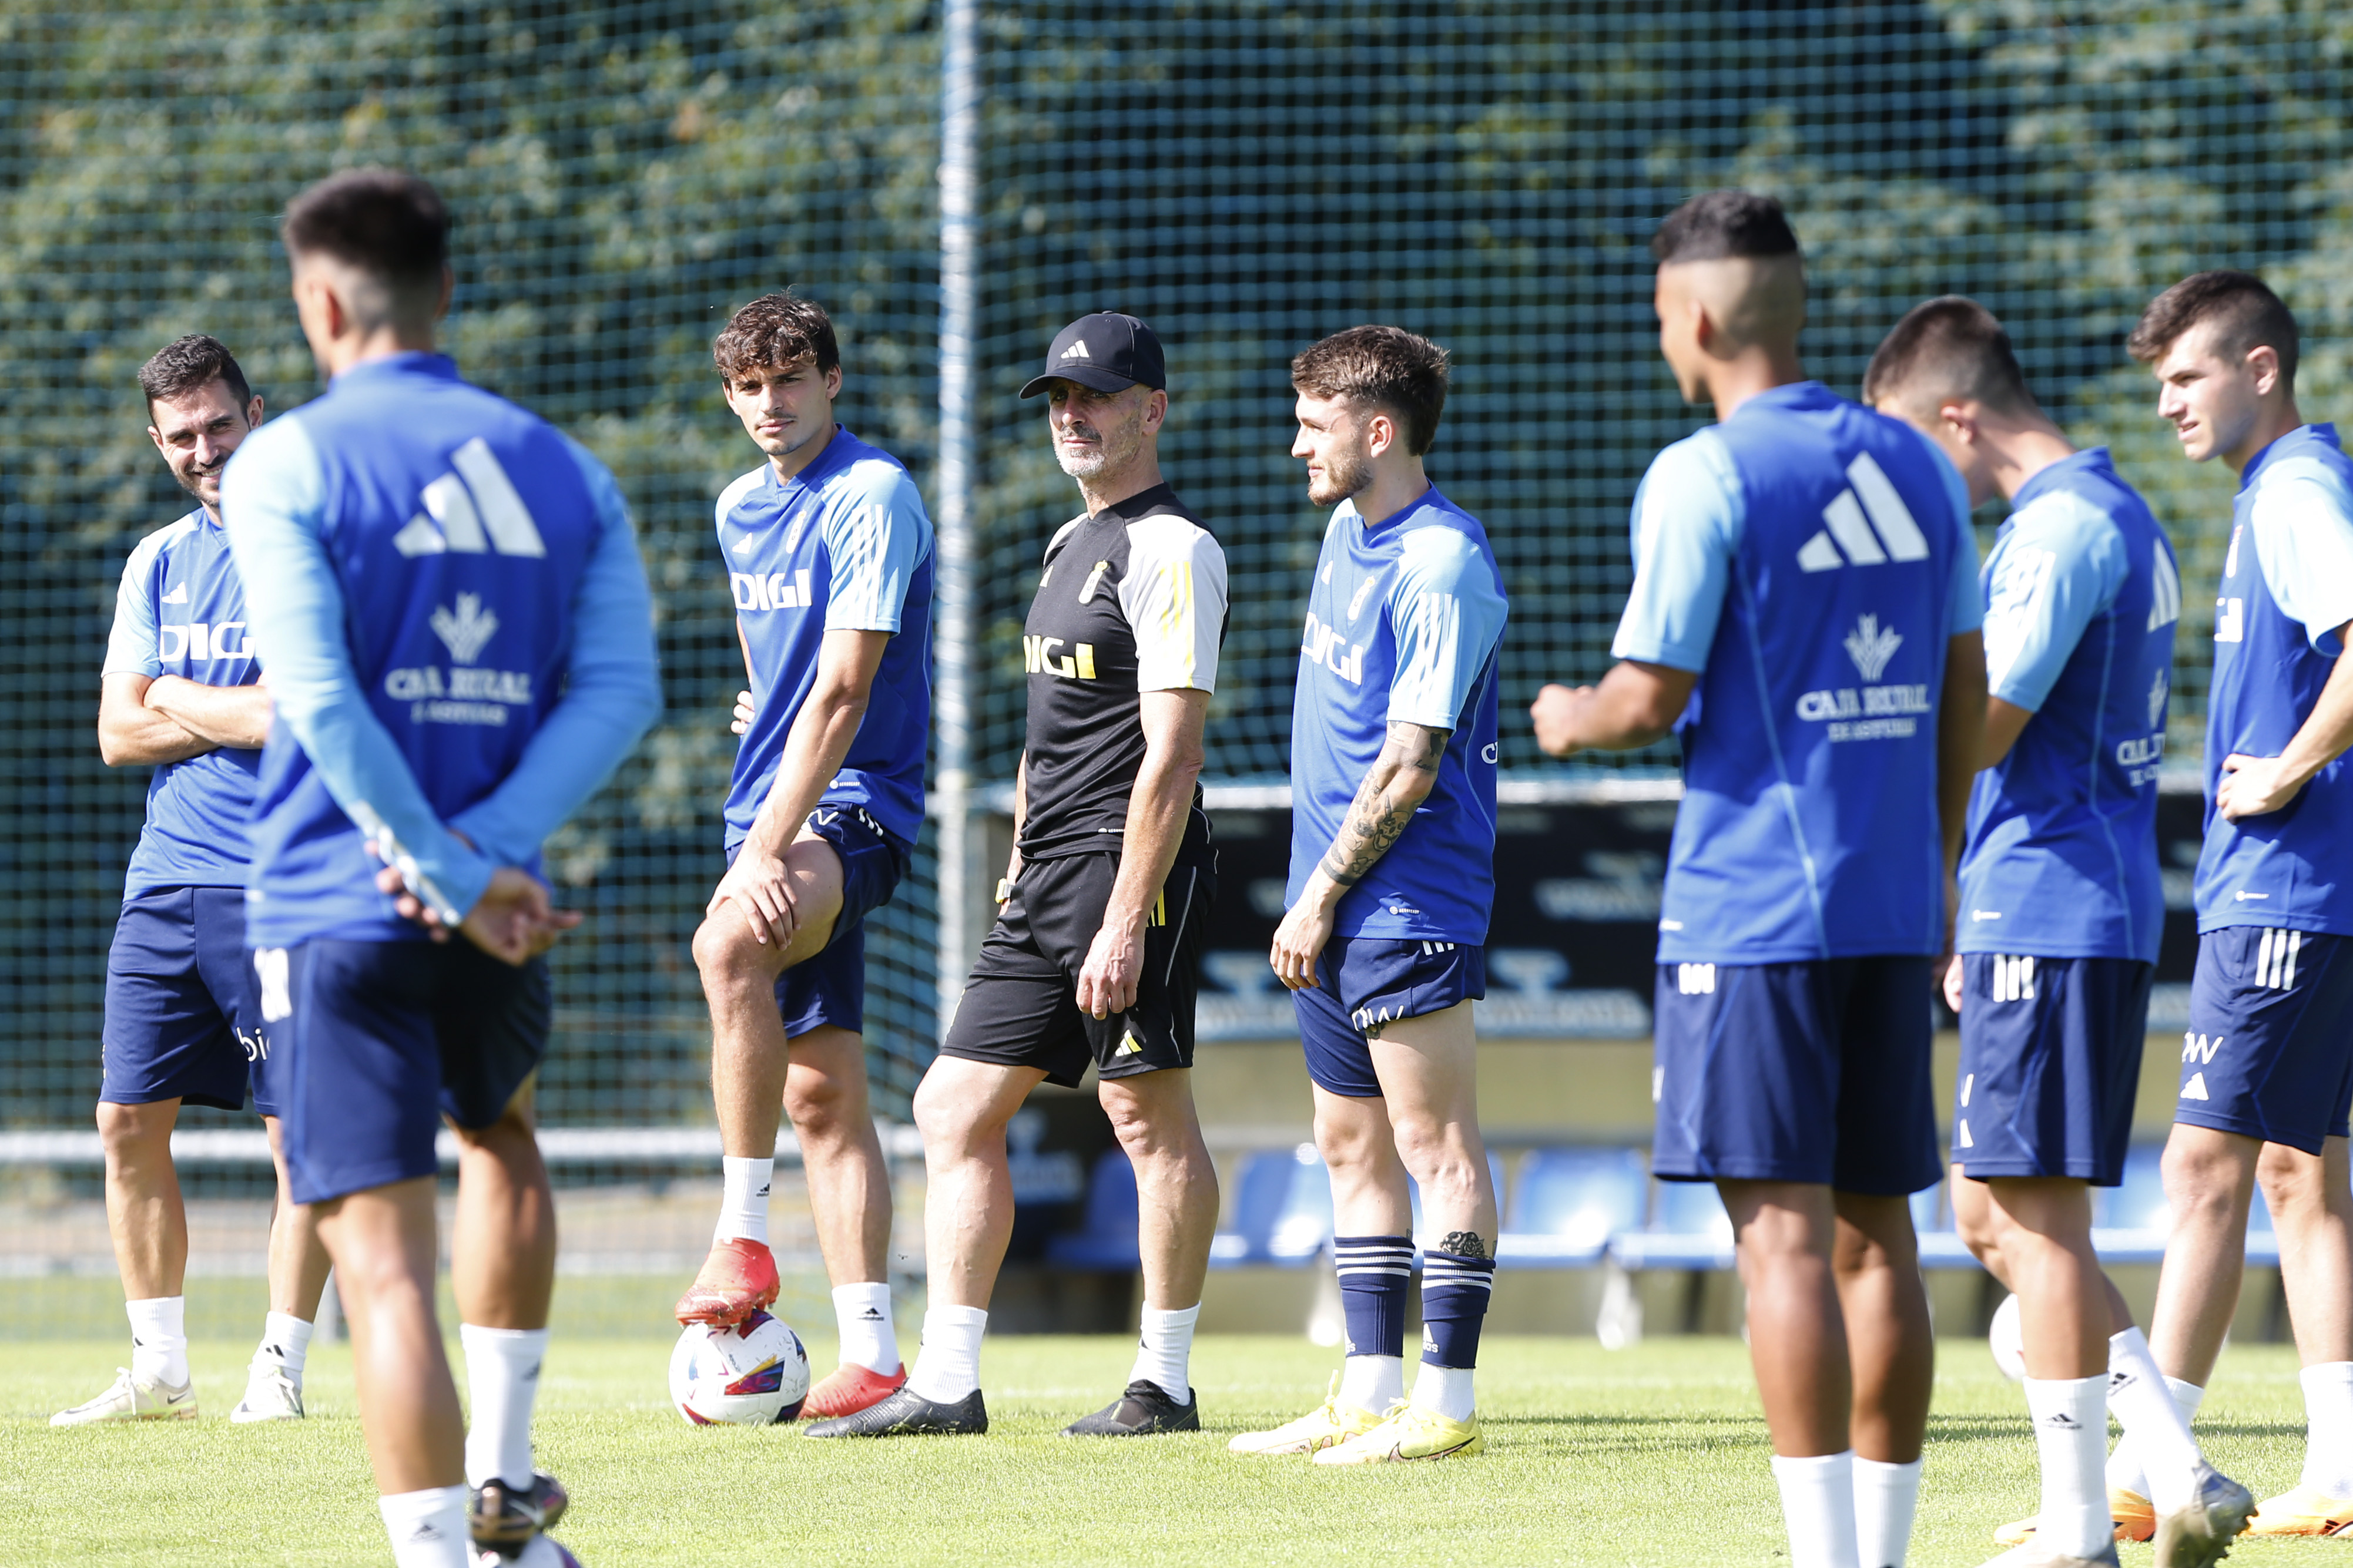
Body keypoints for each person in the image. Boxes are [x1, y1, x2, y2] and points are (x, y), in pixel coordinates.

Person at [1529, 190, 1981, 1568]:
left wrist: (1566, 713)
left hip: (1753, 911)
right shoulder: (1919, 466)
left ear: (1701, 316)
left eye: (1665, 314)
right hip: (1893, 905)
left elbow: (1648, 693)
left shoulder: (1701, 472)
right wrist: (1943, 859)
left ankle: (1819, 1558)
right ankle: (1884, 1556)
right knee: (1876, 1238)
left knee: (1777, 1243)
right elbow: (1963, 682)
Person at [220, 169, 661, 1568]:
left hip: (338, 903)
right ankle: (512, 1498)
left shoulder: (284, 462)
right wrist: (484, 863)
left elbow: (321, 702)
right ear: (447, 294)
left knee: (383, 1262)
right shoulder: (566, 468)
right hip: (503, 910)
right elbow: (621, 696)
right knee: (505, 1139)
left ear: (320, 302)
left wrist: (432, 862)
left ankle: (437, 1554)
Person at [1864, 297, 2246, 1568]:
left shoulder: (2061, 527)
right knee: (1997, 1219)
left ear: (1957, 419)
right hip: (2063, 897)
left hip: (2054, 901)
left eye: (1912, 450)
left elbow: (1983, 726)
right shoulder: (2111, 511)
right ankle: (2173, 1468)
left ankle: (2085, 1525)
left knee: (2028, 1231)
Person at [807, 311, 1226, 1439]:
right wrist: (1017, 864)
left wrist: (1129, 915)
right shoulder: (1066, 543)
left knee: (1145, 1116)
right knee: (951, 1105)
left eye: (1095, 396)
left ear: (1153, 409)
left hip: (1127, 871)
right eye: (1057, 399)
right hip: (1044, 878)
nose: (1072, 416)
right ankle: (948, 1383)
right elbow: (1051, 738)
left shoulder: (1174, 547)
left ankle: (1166, 1382)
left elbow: (1173, 751)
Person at [1229, 323, 1508, 1466]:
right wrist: (1313, 897)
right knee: (1347, 1144)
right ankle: (1366, 1390)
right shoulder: (1349, 529)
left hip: (1406, 902)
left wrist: (1321, 895)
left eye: (1313, 423)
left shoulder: (1444, 560)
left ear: (1376, 430)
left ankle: (1443, 1406)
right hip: (1330, 902)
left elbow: (1409, 762)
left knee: (1435, 1145)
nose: (1296, 443)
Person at [52, 334, 333, 1429]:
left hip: (288, 882)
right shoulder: (157, 561)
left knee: (295, 1132)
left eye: (220, 424)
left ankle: (280, 1363)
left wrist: (173, 690)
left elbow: (294, 718)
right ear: (158, 442)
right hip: (165, 880)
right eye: (182, 436)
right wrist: (208, 705)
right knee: (126, 1119)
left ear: (256, 412)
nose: (204, 449)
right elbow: (117, 737)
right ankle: (160, 1366)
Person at [2119, 270, 2353, 1543]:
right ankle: (2339, 1467)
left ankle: (2154, 1471)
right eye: (2158, 382)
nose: (2166, 404)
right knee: (2292, 1176)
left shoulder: (2299, 489)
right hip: (2309, 891)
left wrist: (2288, 767)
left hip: (2288, 887)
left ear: (2261, 367)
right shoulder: (2288, 488)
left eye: (2187, 376)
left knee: (2199, 1167)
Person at [671, 291, 933, 1423]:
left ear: (832, 381)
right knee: (823, 1097)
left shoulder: (872, 493)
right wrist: (756, 720)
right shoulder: (738, 507)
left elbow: (844, 688)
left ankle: (741, 1241)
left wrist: (767, 845)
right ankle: (872, 1361)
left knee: (727, 942)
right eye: (747, 387)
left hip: (857, 808)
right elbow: (775, 665)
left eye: (790, 380)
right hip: (772, 810)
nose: (769, 405)